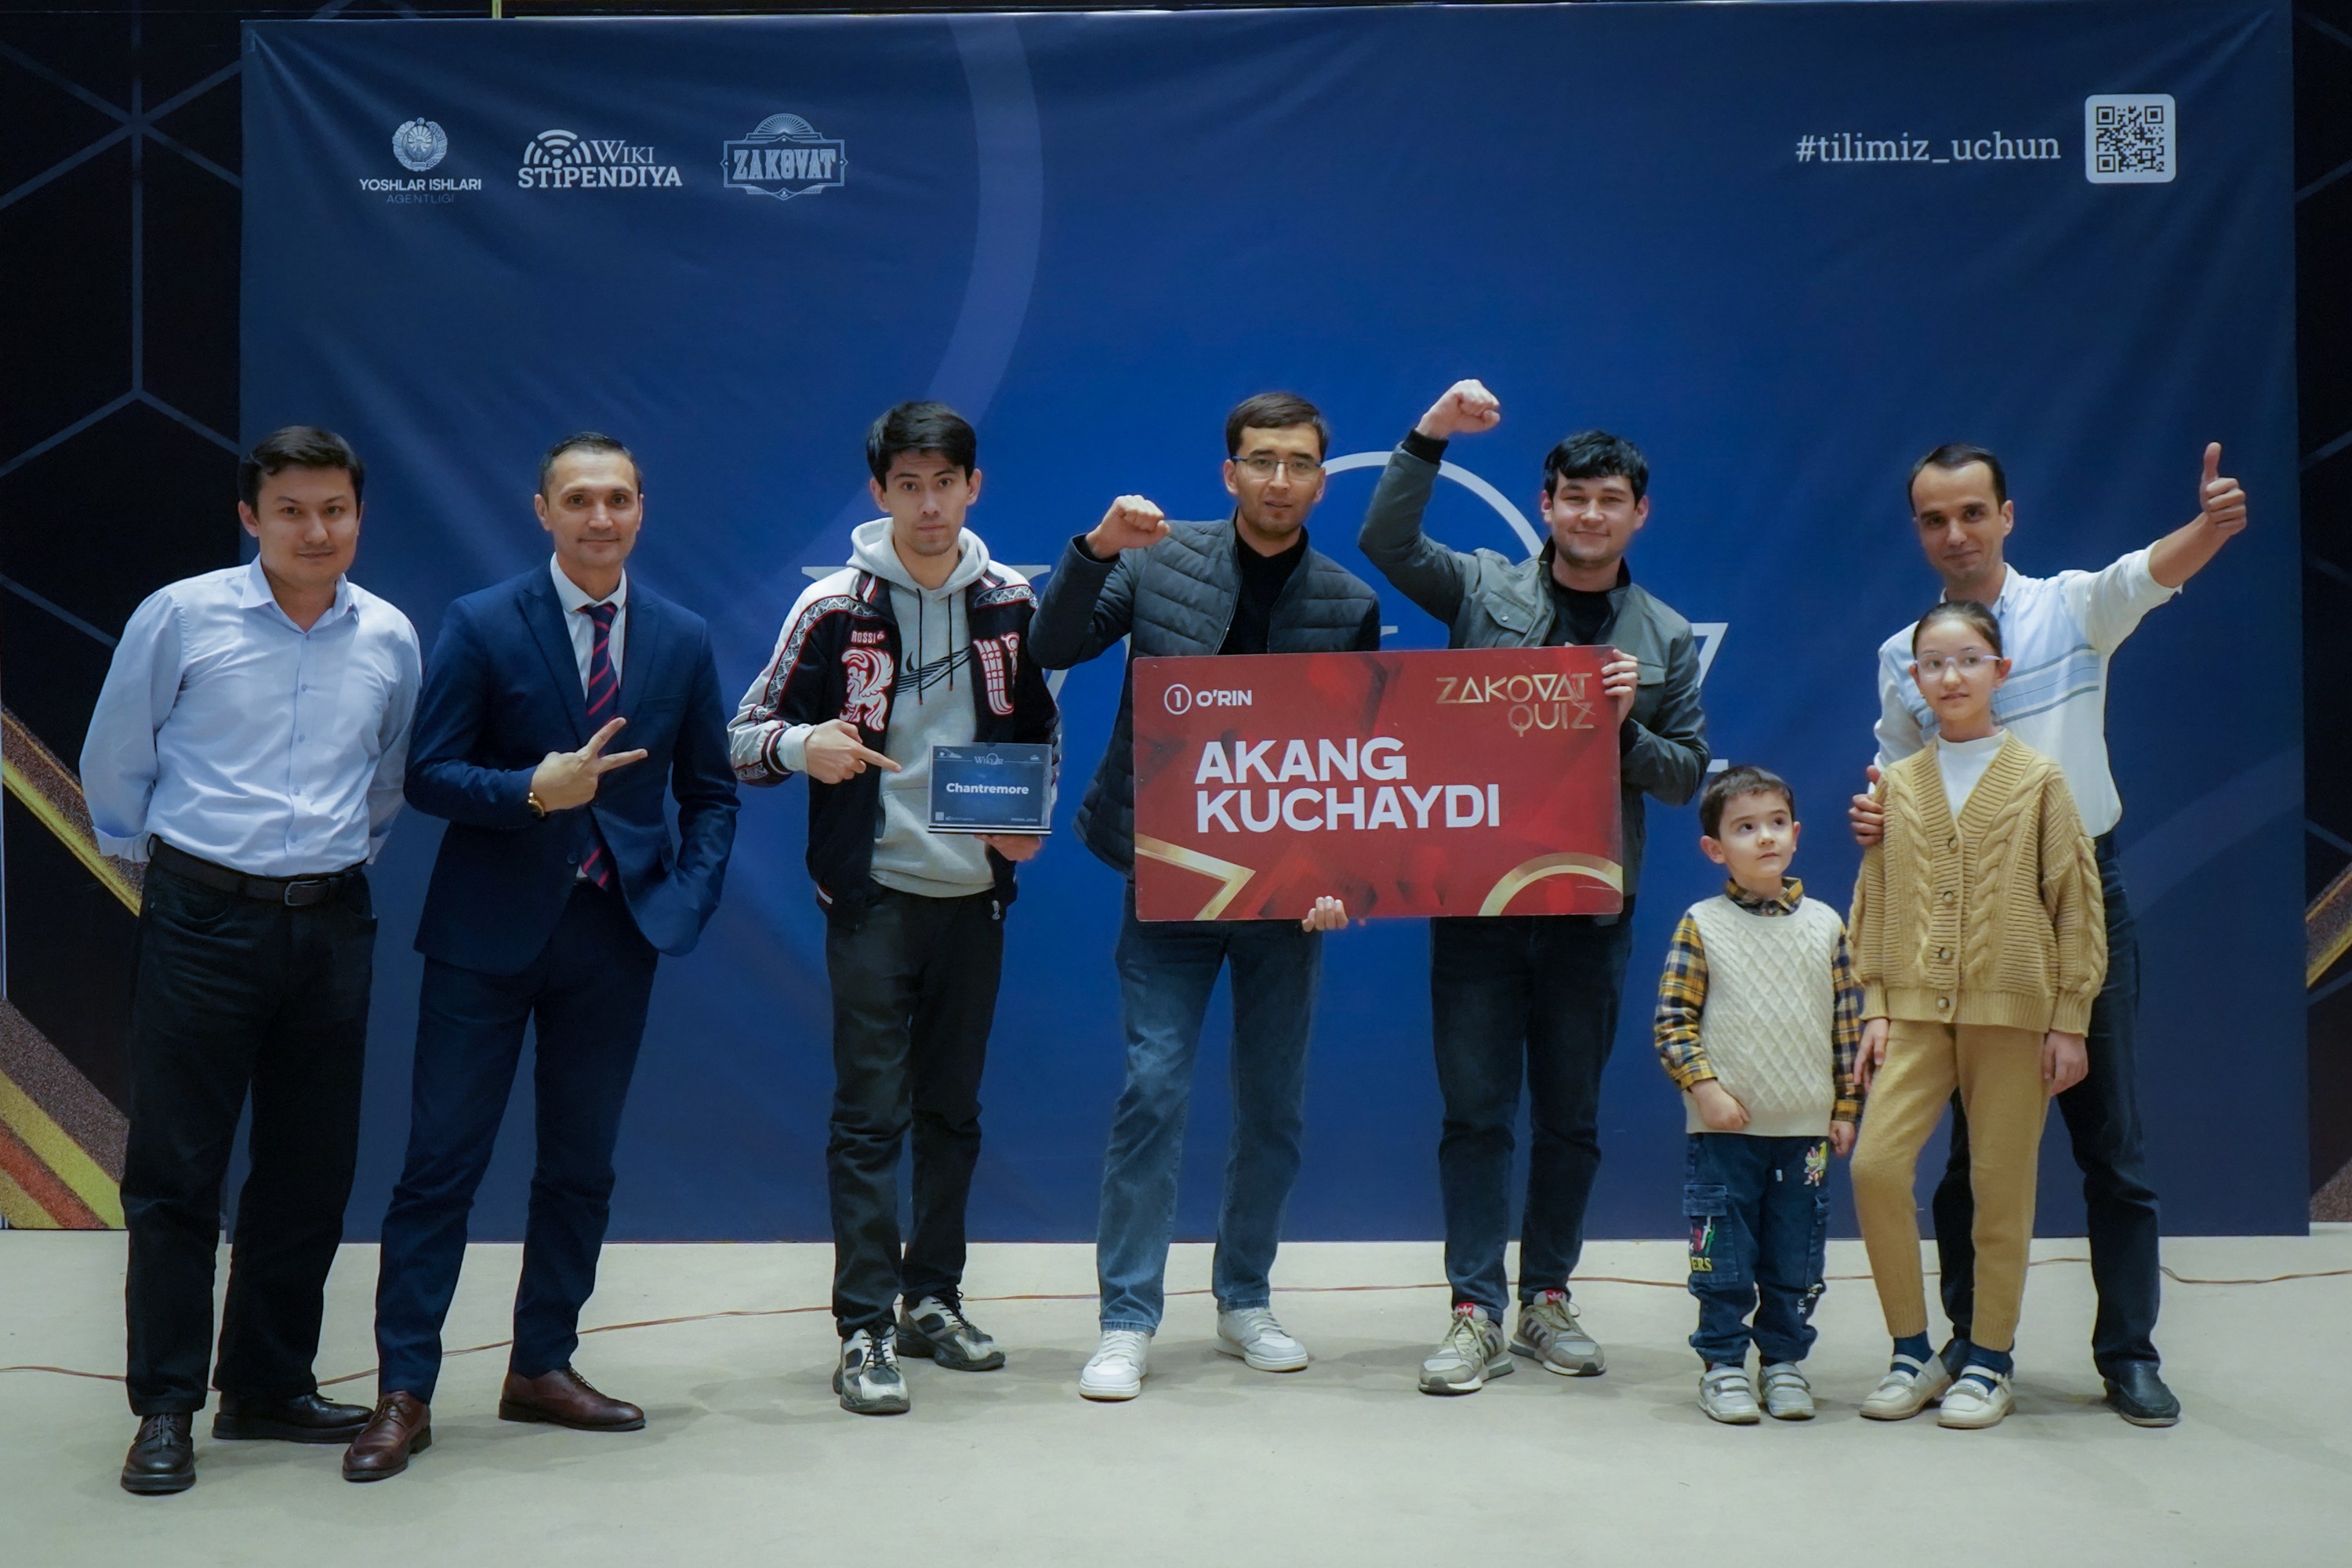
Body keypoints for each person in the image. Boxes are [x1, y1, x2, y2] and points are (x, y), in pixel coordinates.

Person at [345, 433, 739, 1479]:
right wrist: (529, 790)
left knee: (579, 1168)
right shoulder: (481, 622)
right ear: (542, 511)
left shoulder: (682, 637)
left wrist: (684, 897)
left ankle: (542, 1367)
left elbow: (712, 791)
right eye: (578, 500)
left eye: (616, 499)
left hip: (615, 937)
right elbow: (428, 773)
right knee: (440, 1168)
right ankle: (404, 1390)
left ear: (641, 510)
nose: (598, 518)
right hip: (485, 938)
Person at [1849, 441, 2249, 1426]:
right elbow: (1900, 778)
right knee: (1960, 1166)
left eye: (1973, 513)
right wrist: (1874, 819)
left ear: (2006, 514)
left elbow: (2150, 572)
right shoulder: (1907, 651)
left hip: (2074, 900)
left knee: (2112, 1144)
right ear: (1919, 530)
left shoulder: (2069, 607)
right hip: (1954, 925)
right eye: (1936, 519)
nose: (1956, 533)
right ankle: (1970, 1348)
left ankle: (2129, 1354)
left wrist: (2211, 523)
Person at [82, 426, 420, 1495]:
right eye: (292, 511)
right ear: (250, 517)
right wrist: (187, 883)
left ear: (359, 516)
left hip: (330, 920)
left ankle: (269, 1383)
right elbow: (115, 760)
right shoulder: (180, 617)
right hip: (201, 918)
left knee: (308, 1169)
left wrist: (318, 874)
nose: (316, 532)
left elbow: (386, 779)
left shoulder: (391, 638)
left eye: (336, 511)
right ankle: (168, 1405)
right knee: (177, 1173)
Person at [1358, 379, 1708, 1395]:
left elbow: (1687, 777)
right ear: (1546, 505)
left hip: (1592, 909)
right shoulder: (1481, 591)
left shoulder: (1666, 635)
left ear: (1639, 513)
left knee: (1570, 1116)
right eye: (1573, 498)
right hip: (1476, 901)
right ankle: (1474, 1310)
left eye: (1611, 501)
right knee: (1475, 1116)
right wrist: (1427, 432)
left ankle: (1546, 1299)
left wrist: (1627, 726)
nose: (1590, 516)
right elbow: (1386, 541)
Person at [1029, 391, 1376, 1401]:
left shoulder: (1347, 601)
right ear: (1229, 472)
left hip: (1286, 898)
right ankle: (1127, 1317)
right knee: (1154, 1090)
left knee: (1273, 1106)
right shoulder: (1152, 557)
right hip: (1166, 875)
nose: (1278, 480)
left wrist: (1338, 880)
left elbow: (1350, 767)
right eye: (1260, 460)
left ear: (1320, 478)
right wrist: (1093, 549)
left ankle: (1244, 1298)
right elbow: (1052, 646)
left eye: (1299, 463)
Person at [728, 402, 1058, 1416]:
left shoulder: (1010, 602)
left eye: (944, 482)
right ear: (879, 494)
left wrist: (1027, 828)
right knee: (870, 1119)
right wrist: (804, 746)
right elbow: (743, 735)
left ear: (973, 488)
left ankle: (933, 1300)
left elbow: (1038, 740)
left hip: (974, 900)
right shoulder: (833, 606)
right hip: (873, 899)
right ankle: (864, 1326)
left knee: (952, 1114)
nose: (927, 503)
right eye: (906, 485)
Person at [1847, 601, 2104, 1431]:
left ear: (2000, 670)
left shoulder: (2038, 779)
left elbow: (2074, 903)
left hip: (2014, 1014)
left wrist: (2069, 1016)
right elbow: (1876, 898)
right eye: (1932, 663)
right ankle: (1910, 1348)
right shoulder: (1898, 784)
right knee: (1876, 1167)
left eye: (1967, 659)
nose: (1950, 676)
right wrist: (1879, 1002)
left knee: (2002, 1187)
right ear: (1913, 679)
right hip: (1916, 1013)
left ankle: (1989, 1357)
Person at [1652, 765, 1861, 1424]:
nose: (1764, 838)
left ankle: (1784, 1363)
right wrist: (1706, 1089)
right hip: (1723, 1132)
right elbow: (1673, 1020)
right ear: (1715, 848)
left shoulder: (1827, 925)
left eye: (1775, 824)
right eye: (1745, 828)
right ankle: (1722, 1364)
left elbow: (1847, 1028)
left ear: (1795, 835)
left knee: (1797, 1253)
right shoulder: (1701, 923)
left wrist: (1846, 1107)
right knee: (1722, 1254)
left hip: (1804, 1132)